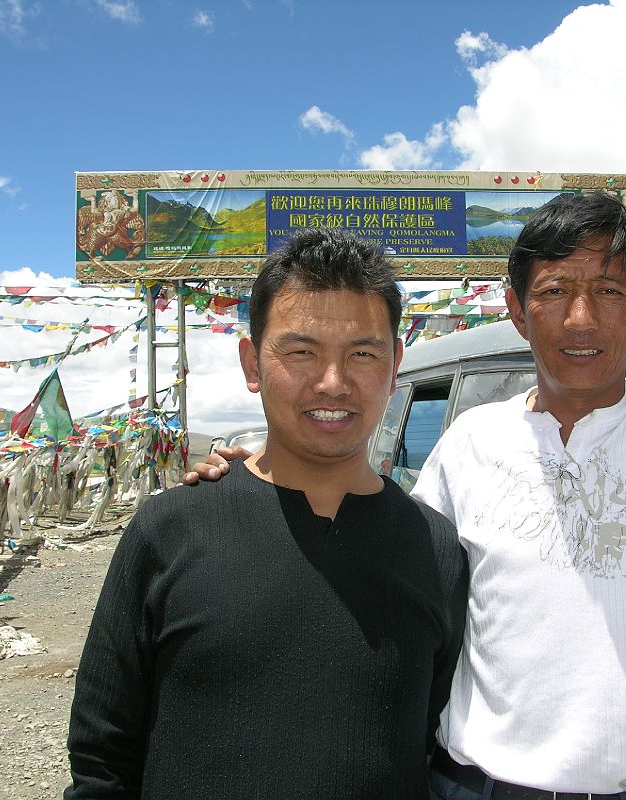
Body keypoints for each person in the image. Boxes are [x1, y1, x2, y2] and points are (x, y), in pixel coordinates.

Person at [187, 193, 626, 800]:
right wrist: (263, 476)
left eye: (609, 292)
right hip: (468, 783)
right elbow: (385, 552)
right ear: (518, 309)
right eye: (555, 292)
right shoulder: (475, 440)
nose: (581, 319)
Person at [67, 228, 468, 799]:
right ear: (252, 362)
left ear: (395, 363)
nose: (333, 383)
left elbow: (431, 737)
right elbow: (102, 756)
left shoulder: (436, 550)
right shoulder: (171, 530)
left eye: (363, 353)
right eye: (301, 352)